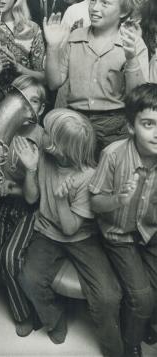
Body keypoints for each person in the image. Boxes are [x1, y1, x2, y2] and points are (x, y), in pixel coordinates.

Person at [16, 108, 123, 357]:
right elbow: (31, 199)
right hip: (47, 231)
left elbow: (70, 228)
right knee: (28, 278)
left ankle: (114, 350)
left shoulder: (88, 176)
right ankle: (55, 320)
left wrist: (61, 200)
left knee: (107, 296)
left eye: (49, 136)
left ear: (63, 149)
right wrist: (31, 170)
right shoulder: (42, 154)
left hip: (81, 237)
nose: (43, 137)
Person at [44, 0, 149, 157]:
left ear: (123, 11)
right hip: (76, 124)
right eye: (92, 0)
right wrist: (52, 47)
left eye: (105, 3)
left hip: (115, 128)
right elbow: (54, 82)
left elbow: (138, 97)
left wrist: (131, 57)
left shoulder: (133, 42)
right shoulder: (75, 37)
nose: (94, 8)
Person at [90, 83, 157, 357]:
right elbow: (95, 203)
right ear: (131, 126)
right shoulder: (113, 155)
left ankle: (143, 323)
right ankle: (131, 343)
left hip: (151, 232)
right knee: (141, 297)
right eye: (149, 124)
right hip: (119, 235)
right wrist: (117, 199)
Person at [0, 76, 45, 333]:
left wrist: (27, 173)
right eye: (22, 98)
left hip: (28, 210)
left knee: (9, 258)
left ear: (42, 109)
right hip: (2, 205)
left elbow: (31, 198)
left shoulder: (40, 138)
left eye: (36, 101)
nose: (28, 106)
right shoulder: (1, 127)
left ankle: (24, 313)